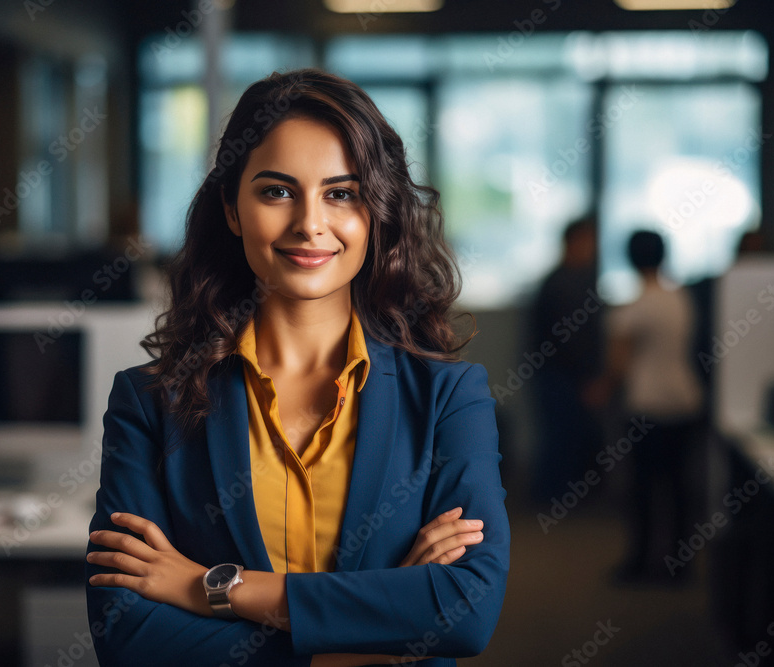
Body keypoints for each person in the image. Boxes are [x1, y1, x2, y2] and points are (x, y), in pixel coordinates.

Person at [84, 69, 509, 666]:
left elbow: (466, 612)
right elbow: (126, 636)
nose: (310, 223)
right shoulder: (150, 401)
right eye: (276, 191)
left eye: (341, 193)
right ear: (232, 208)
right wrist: (373, 637)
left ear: (376, 214)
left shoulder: (447, 398)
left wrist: (207, 588)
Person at [587, 230, 704, 583]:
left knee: (642, 489)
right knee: (680, 487)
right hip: (685, 399)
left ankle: (640, 563)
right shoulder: (681, 298)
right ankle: (680, 565)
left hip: (647, 405)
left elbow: (617, 367)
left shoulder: (631, 308)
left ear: (630, 259)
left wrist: (600, 389)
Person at [527, 215, 604, 504]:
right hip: (561, 376)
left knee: (567, 439)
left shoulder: (574, 280)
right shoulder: (562, 284)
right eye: (588, 242)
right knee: (559, 439)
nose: (592, 249)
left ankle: (558, 497)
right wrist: (589, 377)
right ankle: (550, 499)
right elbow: (570, 341)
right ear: (574, 242)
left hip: (563, 375)